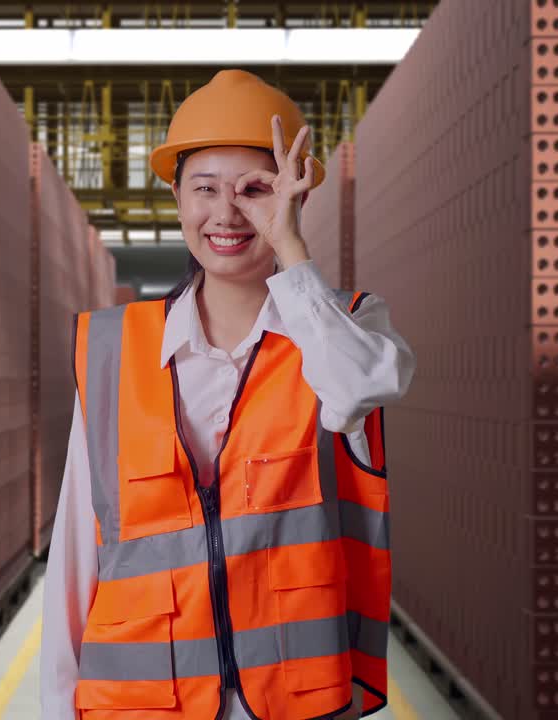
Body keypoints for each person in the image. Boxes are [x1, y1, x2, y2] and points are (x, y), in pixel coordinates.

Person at [40, 68, 416, 719]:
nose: (226, 213)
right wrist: (54, 706)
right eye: (204, 189)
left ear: (292, 197)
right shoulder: (112, 349)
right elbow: (77, 547)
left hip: (294, 702)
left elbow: (362, 387)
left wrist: (291, 250)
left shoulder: (346, 327)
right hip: (138, 705)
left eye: (256, 190)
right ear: (177, 198)